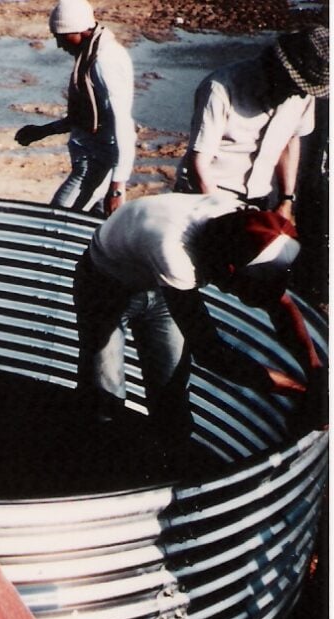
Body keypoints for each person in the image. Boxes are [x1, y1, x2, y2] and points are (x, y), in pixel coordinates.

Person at [73, 193, 325, 449]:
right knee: (105, 392)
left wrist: (316, 375)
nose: (258, 298)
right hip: (104, 286)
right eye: (252, 287)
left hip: (156, 281)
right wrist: (301, 392)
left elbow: (280, 305)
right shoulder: (174, 251)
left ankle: (169, 467)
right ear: (229, 269)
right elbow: (209, 352)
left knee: (173, 391)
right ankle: (98, 462)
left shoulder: (245, 227)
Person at [174, 26, 329, 221]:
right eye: (296, 86)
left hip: (260, 197)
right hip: (207, 193)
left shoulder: (302, 93)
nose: (299, 93)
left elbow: (290, 141)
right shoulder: (220, 87)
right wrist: (223, 217)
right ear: (281, 67)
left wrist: (286, 199)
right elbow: (199, 162)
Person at [14, 0, 135, 216]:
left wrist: (117, 187)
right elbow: (84, 117)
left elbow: (123, 125)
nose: (60, 45)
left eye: (61, 37)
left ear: (78, 30)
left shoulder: (103, 61)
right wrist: (43, 131)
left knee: (56, 223)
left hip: (95, 166)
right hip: (91, 161)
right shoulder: (91, 55)